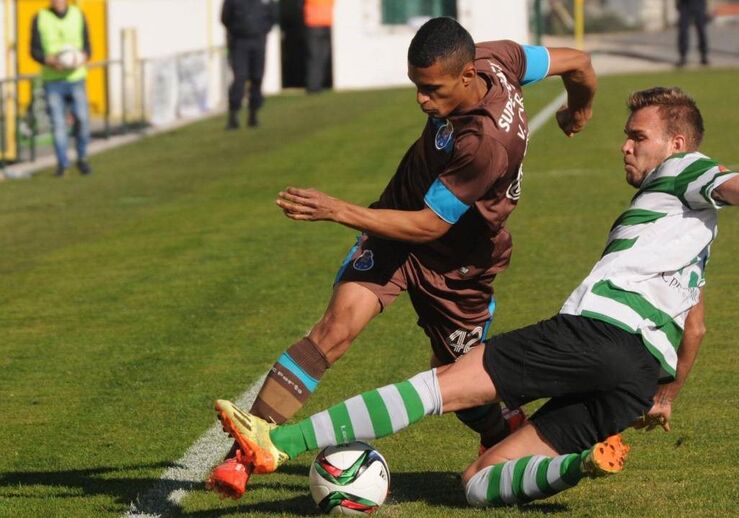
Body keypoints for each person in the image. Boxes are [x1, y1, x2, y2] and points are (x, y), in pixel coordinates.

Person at [212, 86, 739, 507]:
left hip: (595, 336)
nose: (625, 148)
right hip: (635, 382)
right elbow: (694, 329)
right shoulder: (689, 236)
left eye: (637, 137)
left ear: (677, 142)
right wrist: (665, 398)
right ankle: (579, 464)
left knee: (442, 386)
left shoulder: (686, 173)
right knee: (478, 482)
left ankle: (278, 442)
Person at [205, 17, 598, 499]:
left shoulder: (484, 144)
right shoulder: (496, 56)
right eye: (417, 85)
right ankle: (244, 456)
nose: (421, 100)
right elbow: (579, 63)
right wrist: (579, 109)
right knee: (335, 328)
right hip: (394, 231)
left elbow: (430, 225)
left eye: (432, 90)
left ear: (467, 76)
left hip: (456, 265)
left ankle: (508, 433)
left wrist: (336, 210)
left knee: (459, 375)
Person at [30, 0, 92, 177]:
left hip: (76, 78)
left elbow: (88, 47)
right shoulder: (40, 17)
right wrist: (48, 60)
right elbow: (34, 51)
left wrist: (81, 57)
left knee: (82, 120)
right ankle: (62, 164)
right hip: (53, 81)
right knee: (58, 124)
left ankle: (82, 158)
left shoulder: (78, 14)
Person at [221, 0, 277, 129]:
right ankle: (233, 115)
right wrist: (237, 30)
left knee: (257, 77)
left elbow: (273, 15)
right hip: (239, 42)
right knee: (240, 78)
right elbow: (225, 18)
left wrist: (263, 30)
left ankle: (253, 115)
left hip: (258, 40)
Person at [304, 0, 333, 93]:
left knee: (323, 56)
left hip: (326, 24)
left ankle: (318, 85)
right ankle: (313, 86)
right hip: (313, 24)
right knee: (315, 56)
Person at [676, 0, 709, 68]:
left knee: (701, 30)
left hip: (699, 4)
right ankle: (683, 57)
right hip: (685, 4)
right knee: (683, 31)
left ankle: (704, 56)